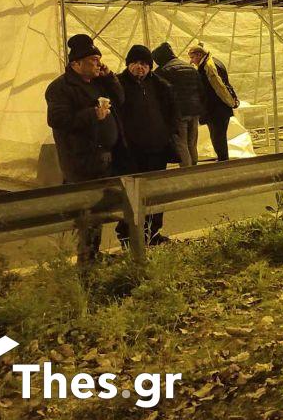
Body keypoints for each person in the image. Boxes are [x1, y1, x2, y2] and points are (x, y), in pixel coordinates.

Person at [46, 34, 125, 262]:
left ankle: (92, 253)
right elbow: (58, 119)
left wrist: (110, 76)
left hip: (103, 156)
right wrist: (92, 114)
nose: (97, 64)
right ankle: (85, 258)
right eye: (92, 60)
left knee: (97, 209)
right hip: (80, 158)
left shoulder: (99, 82)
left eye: (98, 59)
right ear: (75, 64)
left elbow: (120, 99)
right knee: (86, 208)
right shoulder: (61, 87)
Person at [116, 45, 177, 247]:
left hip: (157, 150)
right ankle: (128, 236)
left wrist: (167, 134)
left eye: (144, 64)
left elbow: (171, 112)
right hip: (130, 152)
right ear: (128, 64)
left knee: (156, 194)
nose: (139, 67)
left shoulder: (160, 85)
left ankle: (152, 233)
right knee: (132, 197)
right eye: (135, 63)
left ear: (150, 67)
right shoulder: (118, 84)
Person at [152, 42, 205, 167]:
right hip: (194, 111)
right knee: (192, 143)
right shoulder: (190, 67)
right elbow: (201, 90)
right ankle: (195, 168)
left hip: (179, 113)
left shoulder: (163, 71)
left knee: (181, 144)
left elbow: (161, 95)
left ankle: (186, 172)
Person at [187, 43, 238, 161]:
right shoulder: (213, 62)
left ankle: (223, 162)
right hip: (217, 109)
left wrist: (231, 101)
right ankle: (222, 159)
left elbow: (220, 88)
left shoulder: (209, 66)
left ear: (199, 55)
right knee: (218, 137)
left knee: (218, 137)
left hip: (216, 109)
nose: (191, 61)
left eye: (192, 57)